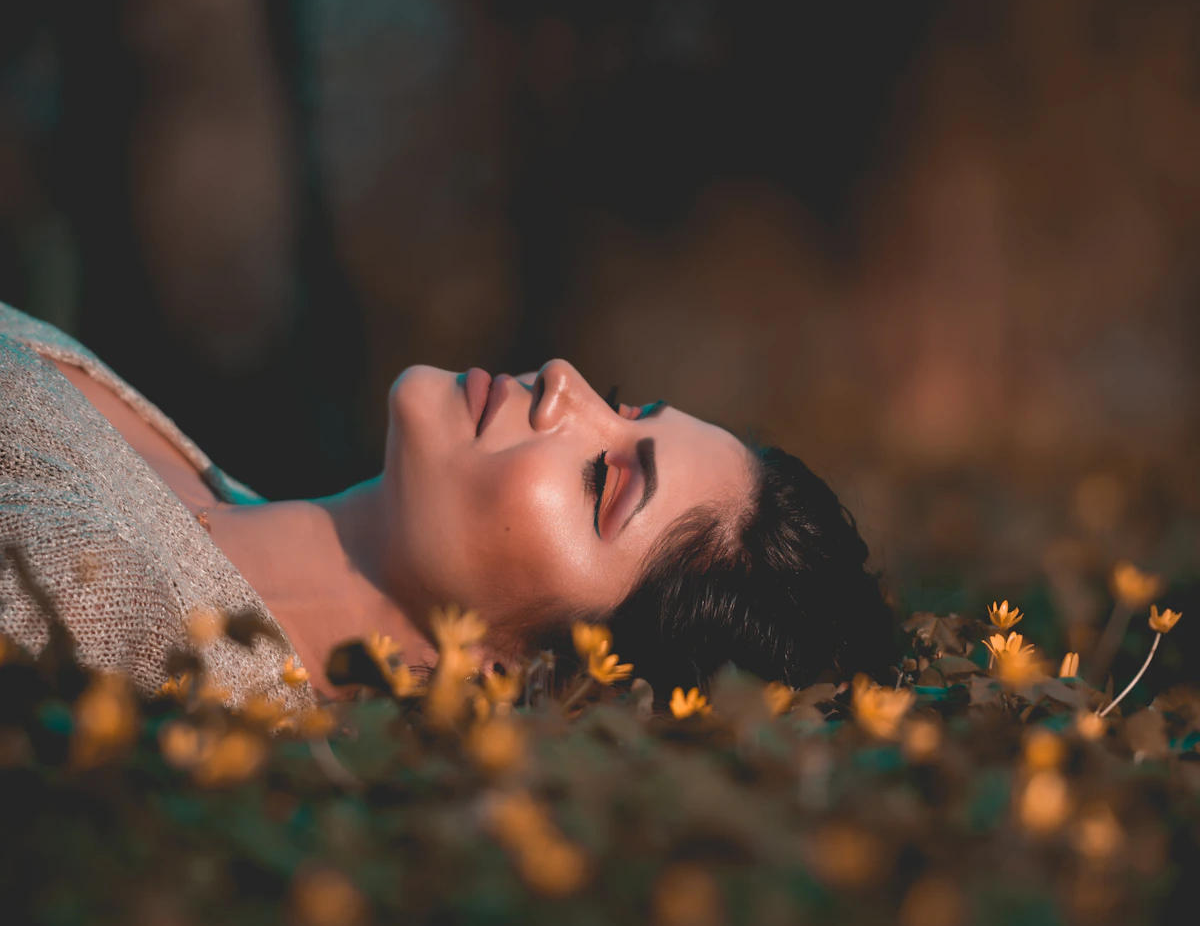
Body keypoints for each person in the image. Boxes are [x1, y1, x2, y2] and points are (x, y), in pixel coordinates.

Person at [0, 302, 893, 705]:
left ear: (513, 677)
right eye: (621, 406)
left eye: (603, 483)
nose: (563, 385)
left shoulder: (92, 612)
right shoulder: (204, 497)